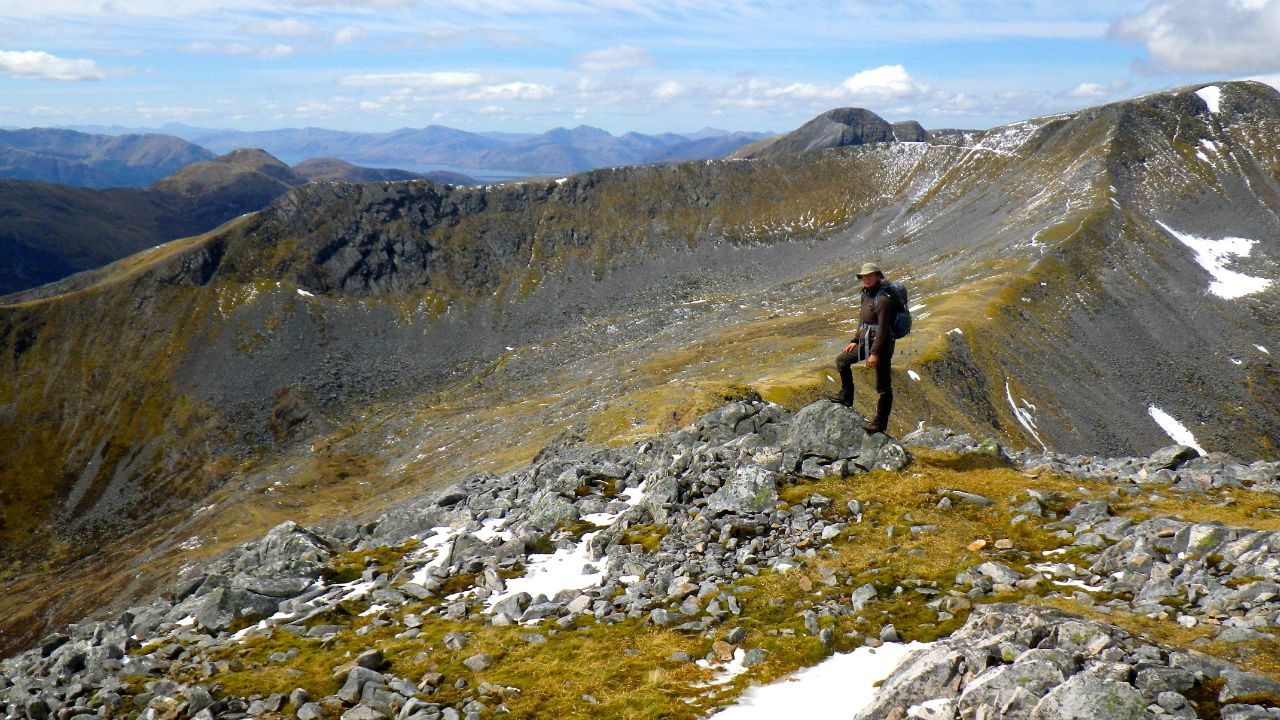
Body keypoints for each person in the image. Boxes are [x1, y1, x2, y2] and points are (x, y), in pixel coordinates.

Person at [833, 262, 896, 434]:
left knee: (883, 385)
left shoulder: (883, 299)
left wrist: (875, 353)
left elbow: (883, 329)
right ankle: (846, 397)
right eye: (863, 276)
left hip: (881, 345)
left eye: (870, 275)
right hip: (867, 341)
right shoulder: (866, 295)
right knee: (842, 360)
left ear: (877, 276)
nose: (866, 279)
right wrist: (855, 339)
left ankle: (880, 423)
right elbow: (862, 320)